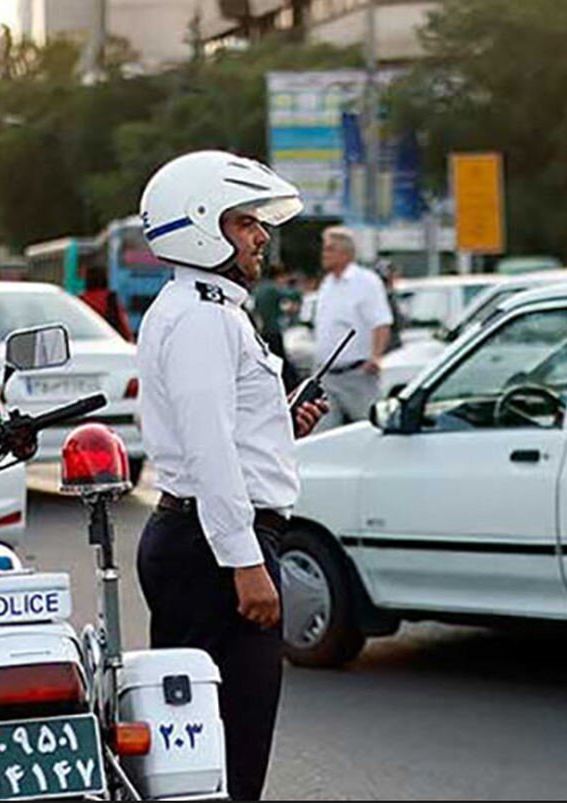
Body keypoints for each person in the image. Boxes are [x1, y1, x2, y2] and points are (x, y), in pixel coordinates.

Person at [134, 150, 328, 802]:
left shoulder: (198, 307)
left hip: (198, 540)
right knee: (228, 757)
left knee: (199, 752)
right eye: (244, 222)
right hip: (212, 548)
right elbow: (210, 449)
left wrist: (282, 423)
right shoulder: (202, 316)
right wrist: (246, 561)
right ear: (200, 226)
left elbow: (221, 433)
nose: (260, 236)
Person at [312, 226, 395, 432]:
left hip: (356, 374)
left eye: (330, 249)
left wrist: (376, 356)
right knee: (323, 436)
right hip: (326, 376)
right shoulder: (327, 284)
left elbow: (381, 322)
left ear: (346, 253)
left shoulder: (365, 282)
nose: (325, 254)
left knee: (371, 429)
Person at [251, 261, 299, 389]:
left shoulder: (259, 288)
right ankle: (291, 386)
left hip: (261, 331)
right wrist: (293, 285)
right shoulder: (273, 288)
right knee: (281, 361)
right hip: (273, 330)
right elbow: (293, 295)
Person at [79, 264, 135, 342]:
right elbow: (122, 321)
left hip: (87, 342)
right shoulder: (111, 298)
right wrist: (129, 338)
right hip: (109, 341)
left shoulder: (81, 300)